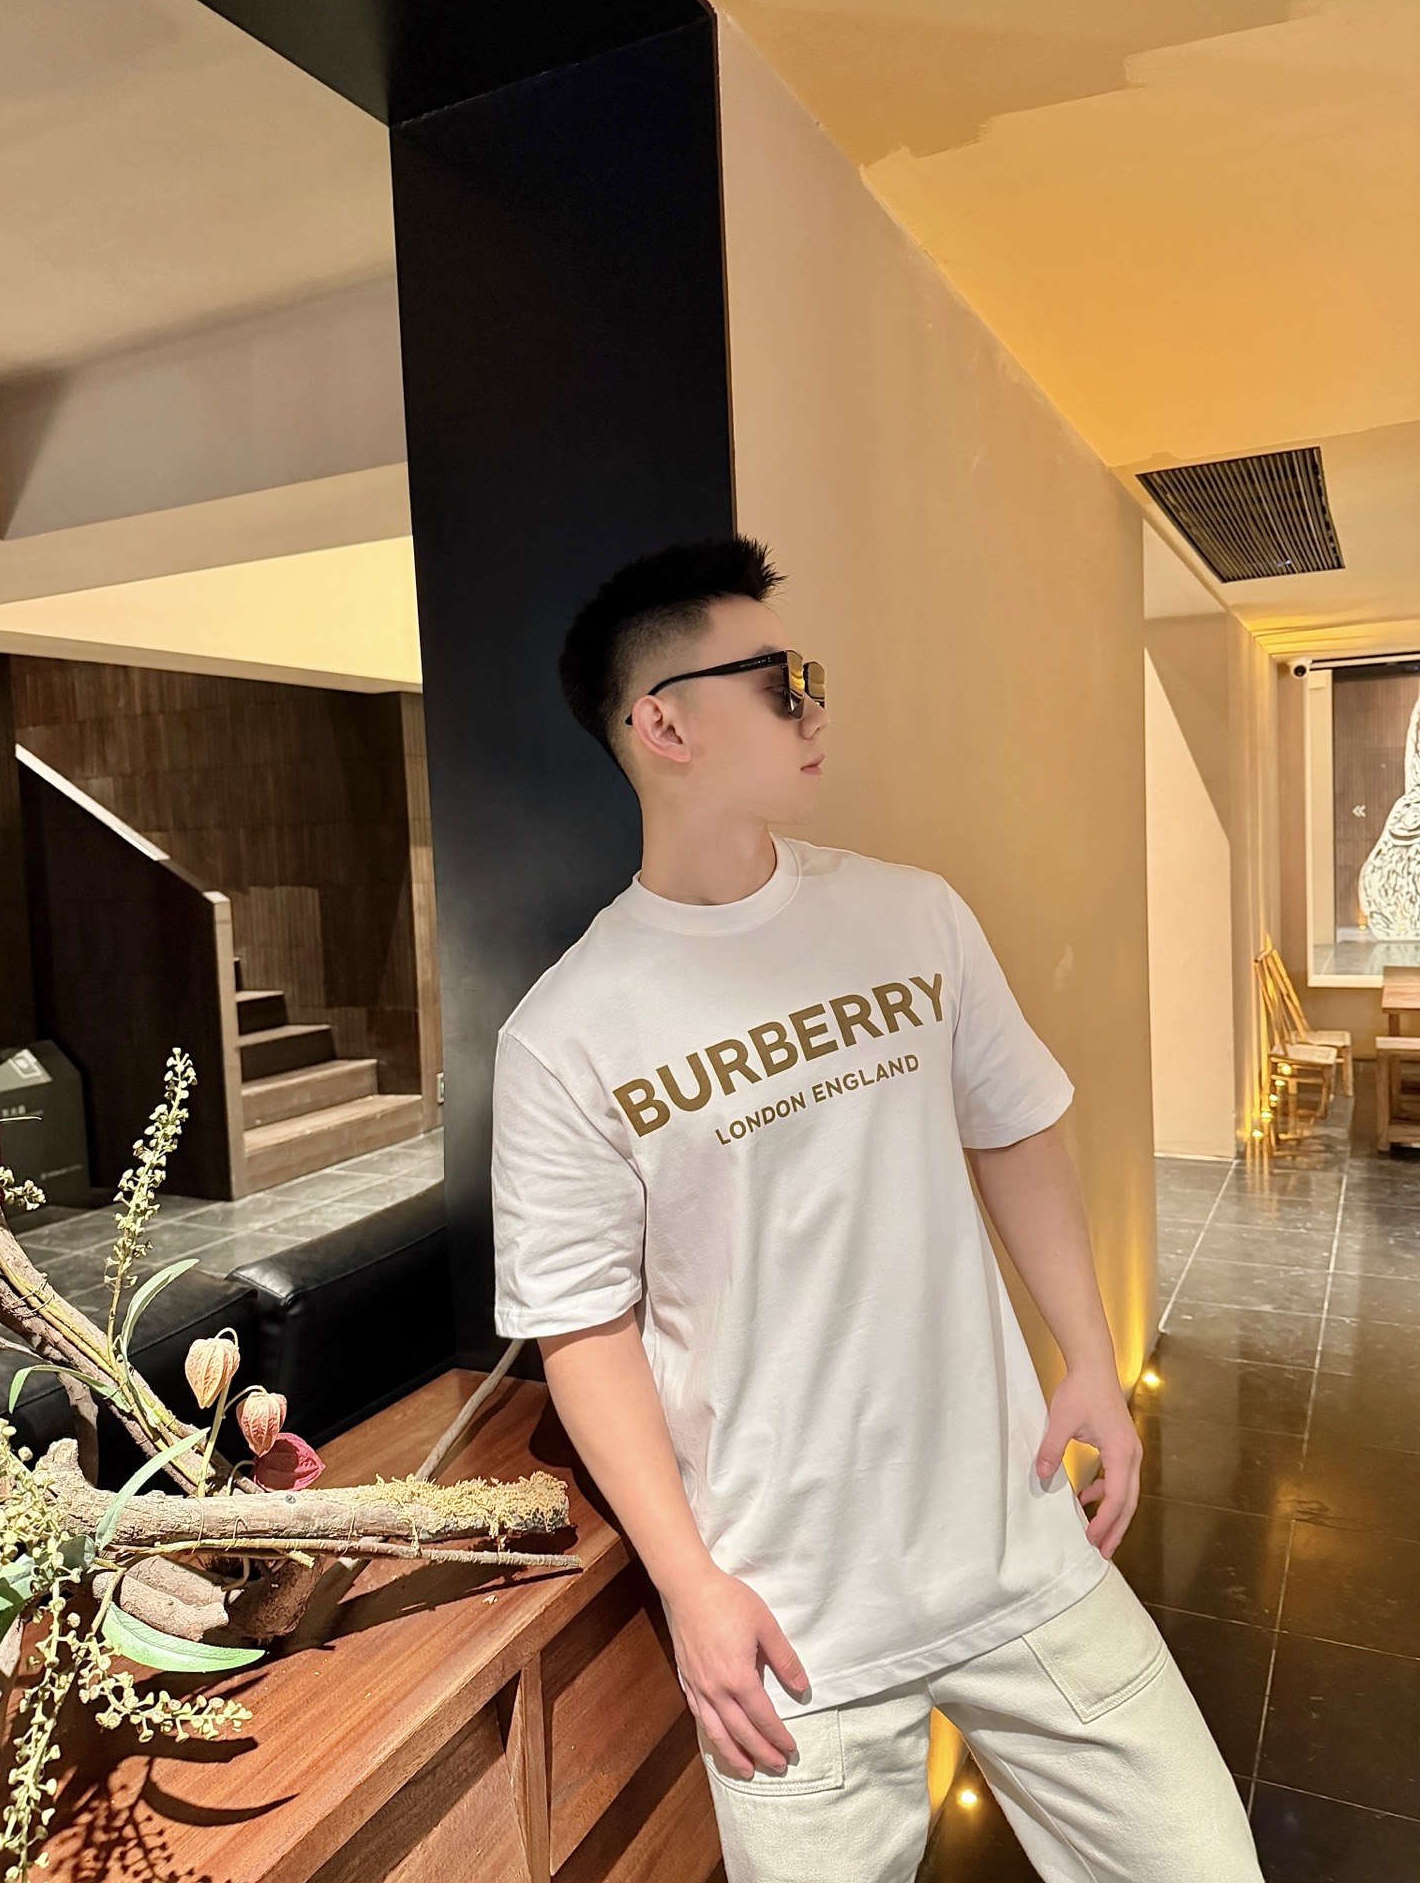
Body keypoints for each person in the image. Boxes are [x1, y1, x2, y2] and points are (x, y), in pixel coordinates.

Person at [490, 538, 1263, 1882]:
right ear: (664, 724)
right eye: (781, 679)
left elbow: (1012, 1125)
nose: (815, 707)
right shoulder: (566, 1032)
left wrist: (1087, 1354)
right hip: (794, 1626)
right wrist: (688, 1582)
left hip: (1019, 1543)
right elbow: (584, 1328)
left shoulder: (912, 917)